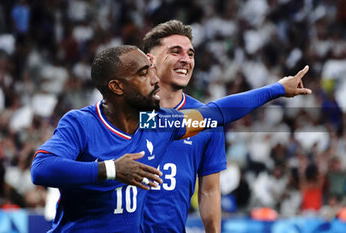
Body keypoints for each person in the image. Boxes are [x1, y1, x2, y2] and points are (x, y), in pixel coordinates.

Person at [31, 45, 311, 232]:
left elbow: (216, 113)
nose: (154, 79)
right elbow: (42, 169)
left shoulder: (157, 123)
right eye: (143, 73)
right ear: (116, 87)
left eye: (151, 70)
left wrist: (277, 89)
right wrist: (112, 169)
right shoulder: (81, 123)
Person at [141, 20, 226, 232]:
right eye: (176, 52)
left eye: (190, 54)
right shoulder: (125, 110)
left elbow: (209, 192)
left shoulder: (206, 120)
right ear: (150, 60)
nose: (185, 60)